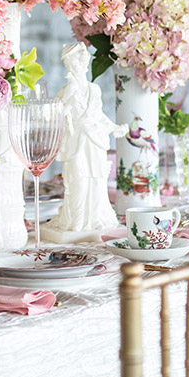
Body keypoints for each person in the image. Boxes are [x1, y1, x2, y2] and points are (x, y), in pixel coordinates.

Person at [42, 43, 127, 242]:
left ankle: (94, 218)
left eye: (83, 60)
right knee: (78, 179)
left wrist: (115, 128)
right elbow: (51, 115)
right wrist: (62, 110)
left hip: (95, 140)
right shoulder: (67, 89)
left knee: (96, 180)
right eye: (76, 60)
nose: (81, 64)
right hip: (76, 142)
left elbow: (99, 116)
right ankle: (77, 221)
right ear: (69, 64)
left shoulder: (94, 89)